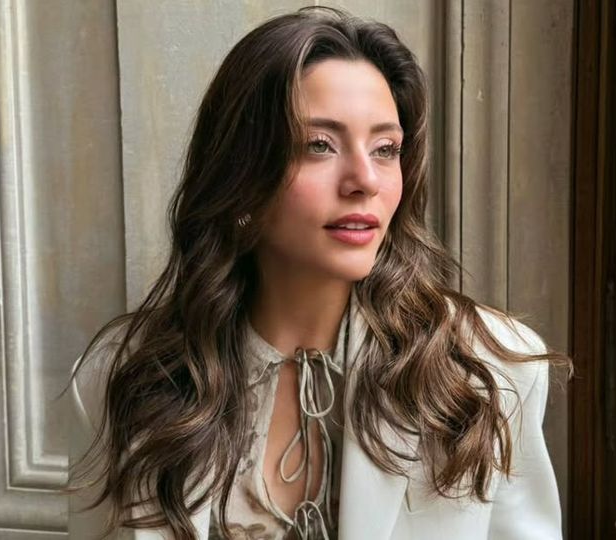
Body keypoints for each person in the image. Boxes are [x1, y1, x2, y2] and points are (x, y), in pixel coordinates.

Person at [64, 6, 571, 540]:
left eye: (386, 149)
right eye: (319, 145)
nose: (365, 180)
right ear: (241, 174)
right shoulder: (119, 381)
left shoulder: (489, 369)